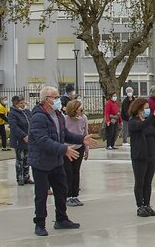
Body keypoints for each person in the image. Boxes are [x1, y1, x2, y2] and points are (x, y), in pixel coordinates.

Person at [28, 86, 97, 236]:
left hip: (56, 161)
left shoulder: (58, 115)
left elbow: (64, 134)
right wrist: (64, 149)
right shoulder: (39, 117)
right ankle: (40, 223)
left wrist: (81, 139)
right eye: (55, 97)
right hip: (41, 161)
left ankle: (61, 219)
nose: (58, 100)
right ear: (46, 99)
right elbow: (42, 140)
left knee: (61, 190)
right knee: (41, 194)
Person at [63, 100, 89, 206]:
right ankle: (67, 196)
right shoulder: (65, 119)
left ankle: (75, 195)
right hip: (67, 148)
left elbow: (85, 133)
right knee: (68, 172)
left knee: (76, 171)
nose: (82, 112)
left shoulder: (84, 118)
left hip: (79, 147)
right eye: (80, 110)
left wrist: (86, 149)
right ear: (74, 110)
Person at [7, 95, 33, 185]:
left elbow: (32, 121)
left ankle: (26, 177)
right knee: (20, 159)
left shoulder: (27, 112)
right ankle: (20, 177)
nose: (23, 104)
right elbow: (14, 126)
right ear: (16, 104)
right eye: (20, 103)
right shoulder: (12, 114)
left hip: (28, 139)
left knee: (27, 159)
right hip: (19, 140)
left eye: (23, 102)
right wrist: (23, 135)